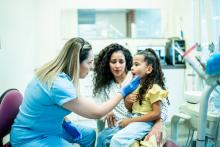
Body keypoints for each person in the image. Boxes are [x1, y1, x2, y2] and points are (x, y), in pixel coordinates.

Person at [10, 37, 140, 147]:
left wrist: (65, 122)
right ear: (76, 62)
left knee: (90, 135)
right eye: (89, 62)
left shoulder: (58, 74)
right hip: (32, 136)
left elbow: (52, 105)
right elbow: (97, 112)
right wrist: (124, 91)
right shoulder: (58, 84)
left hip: (52, 126)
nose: (91, 67)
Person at [94, 44, 168, 147]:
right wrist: (107, 111)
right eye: (113, 62)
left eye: (121, 61)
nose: (117, 66)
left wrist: (158, 123)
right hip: (122, 124)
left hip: (137, 123)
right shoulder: (104, 86)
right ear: (107, 64)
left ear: (126, 62)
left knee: (122, 141)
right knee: (102, 137)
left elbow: (161, 107)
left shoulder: (136, 78)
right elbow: (98, 109)